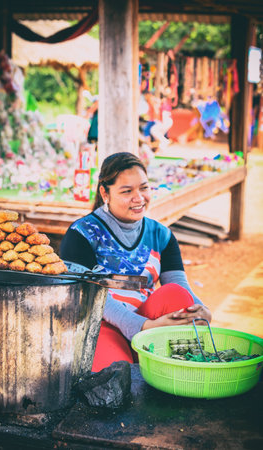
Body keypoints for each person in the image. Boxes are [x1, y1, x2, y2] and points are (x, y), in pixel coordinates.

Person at [60, 152, 212, 372]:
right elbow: (89, 298)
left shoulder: (161, 235)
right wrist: (142, 327)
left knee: (175, 294)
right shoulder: (82, 234)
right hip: (101, 325)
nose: (139, 198)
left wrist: (203, 311)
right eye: (126, 191)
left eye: (144, 188)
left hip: (148, 321)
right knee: (117, 377)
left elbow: (181, 287)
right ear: (105, 193)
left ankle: (174, 369)